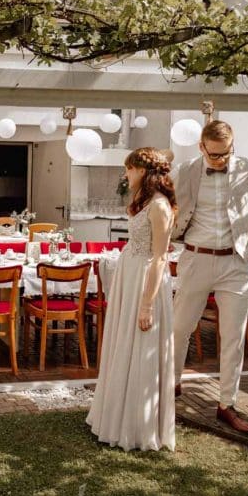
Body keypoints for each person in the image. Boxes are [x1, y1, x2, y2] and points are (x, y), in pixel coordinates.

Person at [172, 120, 248, 435]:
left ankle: (226, 405)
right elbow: (163, 202)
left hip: (235, 263)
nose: (220, 160)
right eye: (214, 155)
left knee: (233, 336)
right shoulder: (185, 171)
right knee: (179, 329)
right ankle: (171, 384)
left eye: (226, 153)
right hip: (196, 259)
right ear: (201, 147)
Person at [87, 147, 177, 451]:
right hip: (131, 275)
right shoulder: (144, 201)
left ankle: (138, 427)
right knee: (124, 344)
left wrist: (146, 304)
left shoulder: (160, 206)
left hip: (145, 281)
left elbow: (160, 258)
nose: (126, 174)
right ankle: (116, 416)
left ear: (142, 170)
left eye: (129, 168)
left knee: (141, 346)